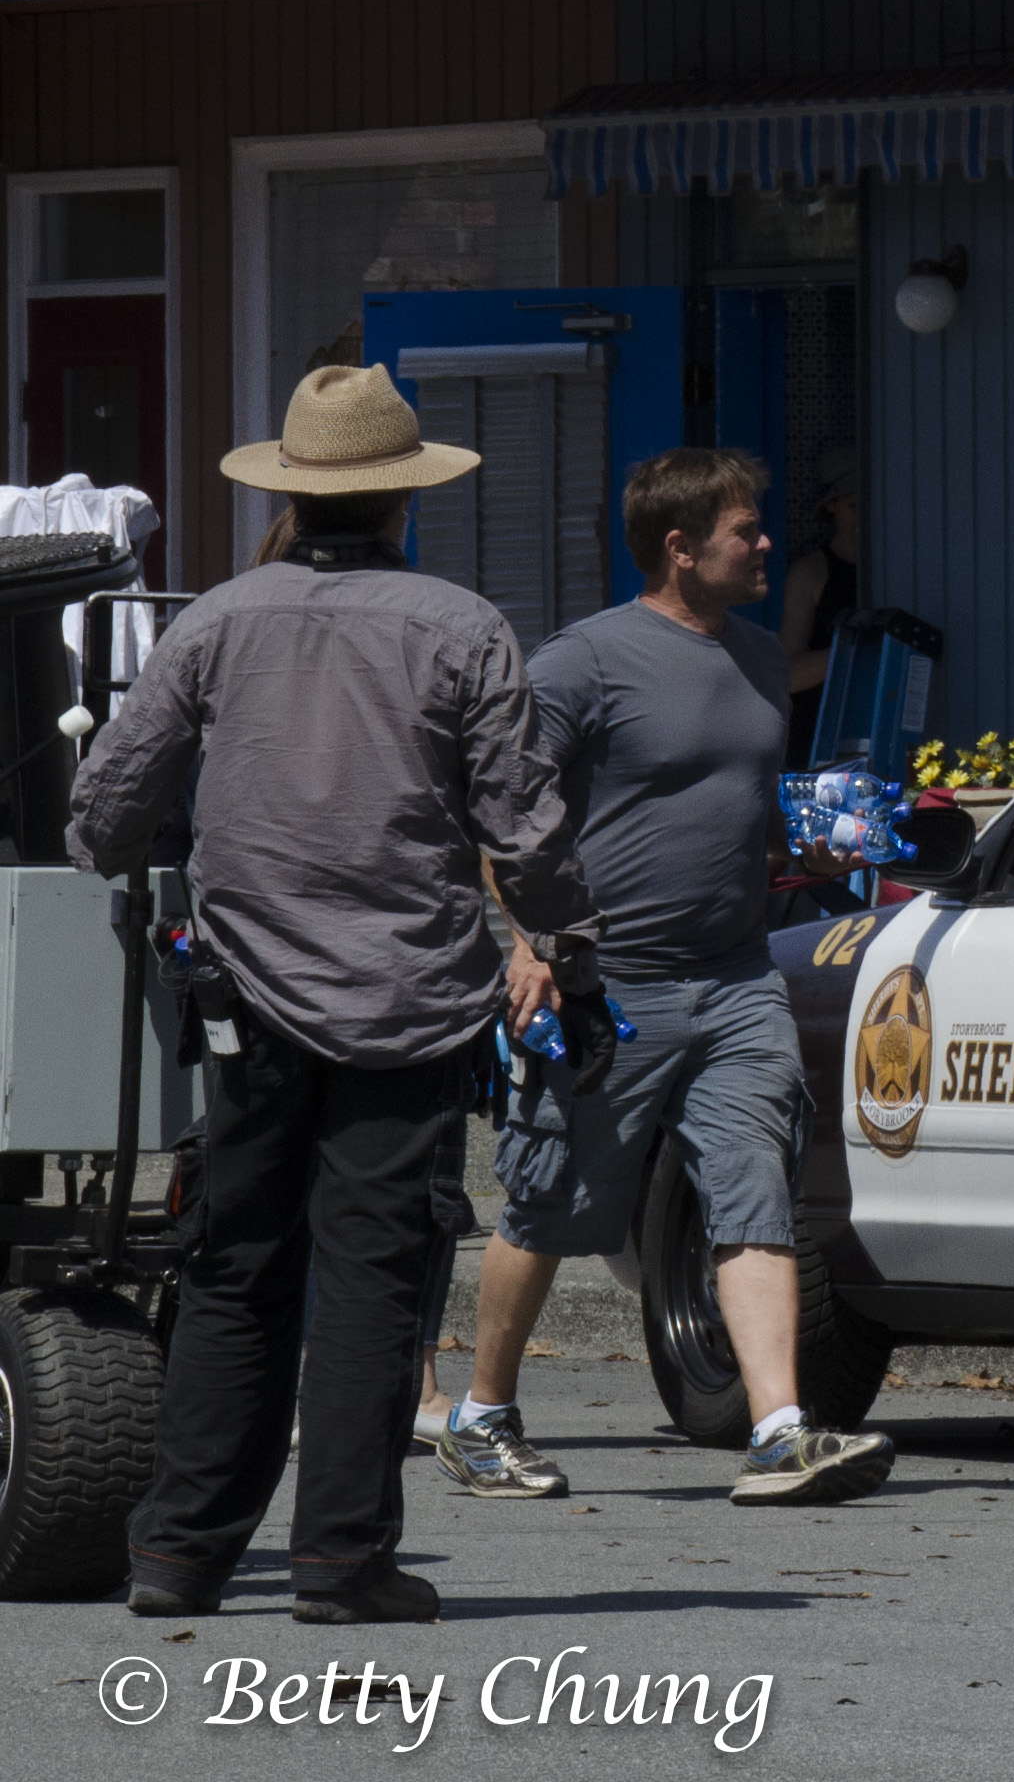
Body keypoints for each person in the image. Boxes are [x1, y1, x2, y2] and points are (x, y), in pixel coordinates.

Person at [69, 364, 595, 1625]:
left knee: (234, 1265)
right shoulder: (460, 626)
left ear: (292, 494)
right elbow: (523, 829)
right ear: (404, 498)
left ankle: (178, 1553)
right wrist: (567, 942)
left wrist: (142, 852)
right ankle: (342, 1561)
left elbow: (109, 808)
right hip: (406, 1003)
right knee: (372, 1278)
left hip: (246, 997)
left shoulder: (218, 621)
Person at [436, 451, 896, 1511]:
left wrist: (817, 841)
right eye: (745, 530)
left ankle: (777, 1432)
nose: (767, 543)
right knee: (550, 1200)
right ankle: (482, 1416)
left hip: (737, 980)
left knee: (753, 1186)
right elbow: (502, 811)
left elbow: (743, 807)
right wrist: (530, 942)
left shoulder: (756, 656)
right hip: (609, 985)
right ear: (680, 548)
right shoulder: (585, 662)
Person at [775, 448, 861, 759]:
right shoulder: (811, 572)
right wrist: (852, 652)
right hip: (819, 740)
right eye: (854, 506)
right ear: (832, 507)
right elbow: (787, 675)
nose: (864, 517)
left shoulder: (901, 568)